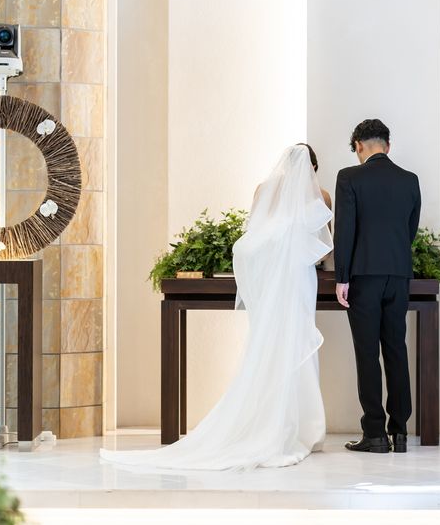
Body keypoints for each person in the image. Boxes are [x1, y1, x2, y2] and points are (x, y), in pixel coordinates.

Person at [101, 145, 333, 470]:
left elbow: (251, 238)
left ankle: (266, 421)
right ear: (313, 168)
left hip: (267, 283)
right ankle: (302, 428)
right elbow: (324, 249)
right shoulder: (321, 196)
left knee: (266, 344)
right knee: (296, 342)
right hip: (297, 282)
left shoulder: (263, 191)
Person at [334, 119, 421, 454]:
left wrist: (342, 277)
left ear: (359, 146)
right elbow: (410, 228)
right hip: (398, 274)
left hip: (364, 276)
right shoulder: (409, 180)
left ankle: (374, 434)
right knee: (396, 349)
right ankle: (400, 432)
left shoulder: (349, 177)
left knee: (367, 353)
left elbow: (345, 231)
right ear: (388, 144)